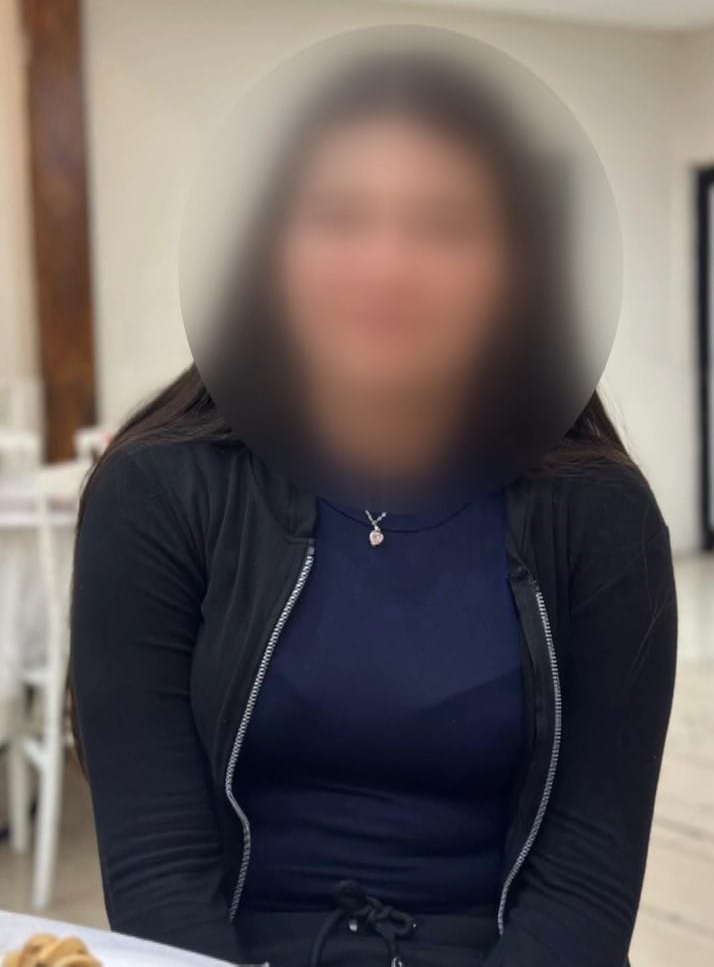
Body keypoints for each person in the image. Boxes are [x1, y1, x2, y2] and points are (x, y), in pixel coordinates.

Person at [71, 51, 677, 967]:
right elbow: (156, 870)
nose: (387, 268)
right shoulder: (159, 491)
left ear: (517, 271)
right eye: (338, 216)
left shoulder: (597, 516)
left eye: (446, 225)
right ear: (267, 251)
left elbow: (587, 880)